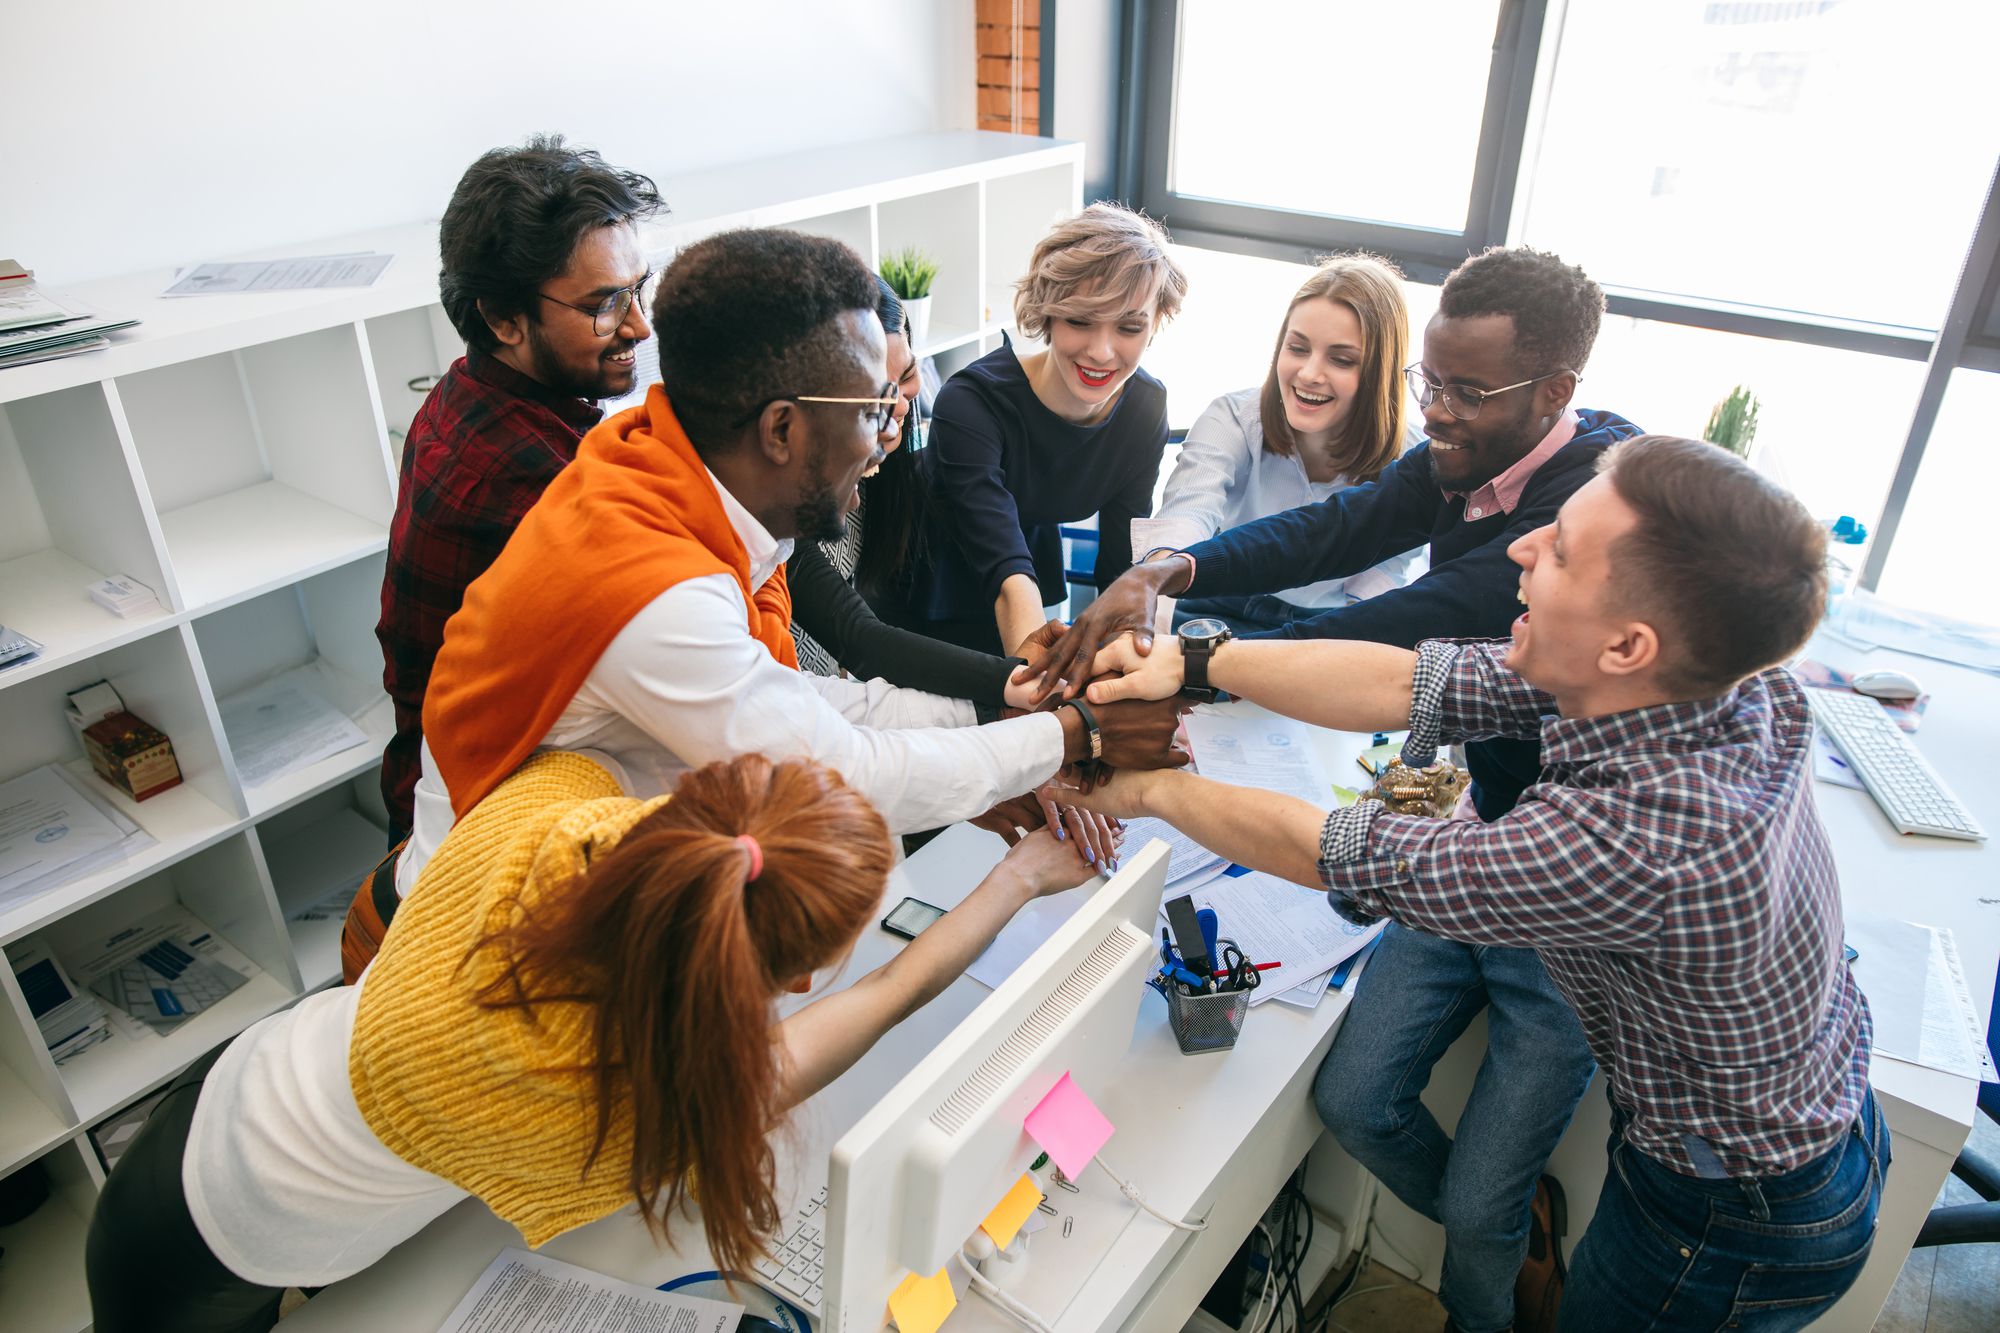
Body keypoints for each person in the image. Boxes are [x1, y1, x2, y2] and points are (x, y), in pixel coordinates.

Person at [1070, 436, 1886, 1333]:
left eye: (1561, 551)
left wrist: (1148, 789)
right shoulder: (1703, 680)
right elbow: (1420, 679)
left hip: (1732, 1210)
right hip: (1805, 1107)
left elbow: (1346, 850)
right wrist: (1195, 666)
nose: (1519, 550)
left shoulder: (1643, 841)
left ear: (1627, 643)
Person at [1035, 245, 1640, 1333]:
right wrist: (1172, 571)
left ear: (1553, 394)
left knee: (1477, 1202)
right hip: (1483, 831)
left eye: (1461, 390)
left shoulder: (1583, 514)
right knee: (1352, 1097)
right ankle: (1495, 1231)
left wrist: (1192, 670)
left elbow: (1392, 634)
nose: (1435, 413)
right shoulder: (1466, 452)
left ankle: (1484, 1298)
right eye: (1429, 384)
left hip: (1563, 906)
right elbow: (1339, 528)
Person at [85, 750, 1102, 1333]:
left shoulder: (560, 813)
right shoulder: (603, 1104)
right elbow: (873, 1002)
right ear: (790, 979)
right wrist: (1011, 880)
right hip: (215, 1238)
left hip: (262, 1075)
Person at [398, 227, 1188, 902]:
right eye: (875, 408)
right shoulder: (654, 589)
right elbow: (846, 770)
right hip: (495, 901)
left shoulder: (675, 473)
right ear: (782, 431)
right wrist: (1071, 733)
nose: (889, 436)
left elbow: (816, 707)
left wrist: (1006, 708)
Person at [376, 136, 663, 847]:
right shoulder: (530, 477)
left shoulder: (464, 389)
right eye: (605, 304)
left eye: (639, 288)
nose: (639, 324)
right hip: (483, 823)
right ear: (504, 319)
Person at [870, 203, 1188, 657]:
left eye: (1129, 326)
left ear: (1154, 325)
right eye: (1080, 320)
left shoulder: (1144, 408)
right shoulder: (971, 403)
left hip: (1024, 571)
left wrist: (1124, 656)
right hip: (927, 571)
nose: (1102, 351)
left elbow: (1119, 563)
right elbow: (1005, 572)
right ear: (1049, 314)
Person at [1140, 253, 1424, 636]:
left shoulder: (1413, 455)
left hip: (1325, 620)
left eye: (1341, 360)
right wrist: (1151, 593)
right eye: (1298, 348)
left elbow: (1382, 576)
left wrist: (1348, 653)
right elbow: (1188, 512)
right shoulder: (1236, 418)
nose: (1308, 374)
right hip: (1217, 600)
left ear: (1379, 371)